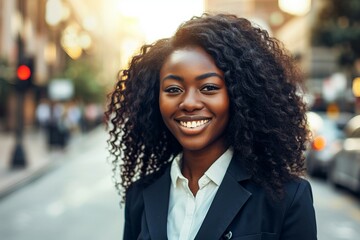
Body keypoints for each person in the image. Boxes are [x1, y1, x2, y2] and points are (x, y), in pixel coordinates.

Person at [105, 13, 317, 240]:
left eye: (208, 88)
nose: (189, 103)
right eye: (173, 89)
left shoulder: (286, 197)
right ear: (154, 99)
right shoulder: (140, 195)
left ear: (239, 95)